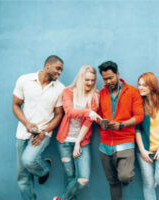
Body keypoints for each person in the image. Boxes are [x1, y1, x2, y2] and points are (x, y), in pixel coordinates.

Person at [12, 55, 65, 200]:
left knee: (28, 160)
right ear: (48, 65)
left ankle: (44, 170)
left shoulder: (60, 89)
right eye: (58, 68)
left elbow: (59, 114)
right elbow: (16, 105)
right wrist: (27, 123)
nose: (59, 73)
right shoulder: (24, 80)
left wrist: (44, 131)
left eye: (61, 71)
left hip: (43, 133)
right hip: (23, 132)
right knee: (23, 177)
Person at [96, 61, 144, 200]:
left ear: (117, 74)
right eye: (105, 79)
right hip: (105, 145)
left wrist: (121, 125)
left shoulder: (132, 91)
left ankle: (125, 177)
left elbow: (139, 116)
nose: (108, 81)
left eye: (111, 77)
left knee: (125, 177)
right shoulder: (102, 93)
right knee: (112, 182)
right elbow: (98, 116)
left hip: (125, 142)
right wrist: (101, 123)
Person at [53, 65, 100, 200]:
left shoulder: (95, 96)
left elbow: (88, 121)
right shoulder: (68, 92)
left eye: (92, 80)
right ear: (80, 79)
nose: (90, 83)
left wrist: (78, 142)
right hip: (64, 142)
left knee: (83, 179)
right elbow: (70, 112)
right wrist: (88, 112)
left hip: (82, 142)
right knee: (69, 176)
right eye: (87, 80)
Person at [135, 72, 159, 200]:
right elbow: (137, 130)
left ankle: (157, 176)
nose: (140, 87)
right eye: (139, 85)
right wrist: (142, 151)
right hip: (145, 149)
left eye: (144, 85)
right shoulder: (138, 104)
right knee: (148, 183)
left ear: (152, 86)